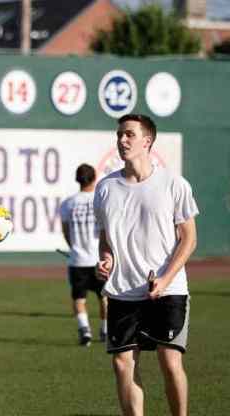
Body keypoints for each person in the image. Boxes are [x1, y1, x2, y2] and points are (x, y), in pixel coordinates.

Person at [94, 114, 198, 416]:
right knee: (122, 363)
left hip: (168, 289)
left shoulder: (174, 184)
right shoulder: (105, 188)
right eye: (119, 135)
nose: (122, 140)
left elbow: (189, 239)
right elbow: (105, 238)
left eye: (129, 134)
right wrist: (107, 258)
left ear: (147, 141)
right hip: (122, 290)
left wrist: (165, 279)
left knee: (169, 360)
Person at [59, 163, 108, 346]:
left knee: (79, 299)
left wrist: (74, 247)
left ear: (77, 179)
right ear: (94, 178)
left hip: (77, 260)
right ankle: (105, 330)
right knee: (104, 297)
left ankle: (85, 331)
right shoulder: (101, 200)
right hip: (98, 259)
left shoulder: (68, 203)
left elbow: (66, 231)